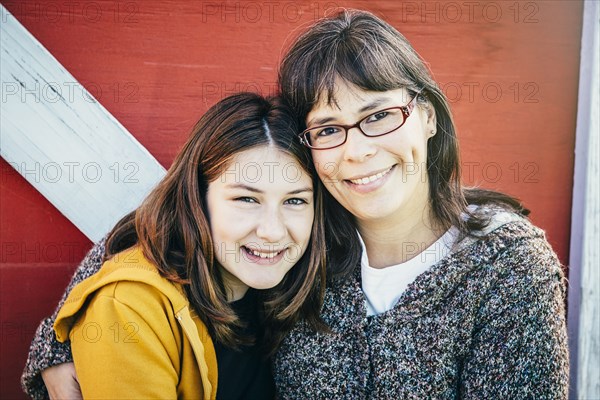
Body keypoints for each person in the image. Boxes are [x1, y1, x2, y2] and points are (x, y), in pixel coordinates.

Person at [22, 9, 569, 399]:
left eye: (378, 115)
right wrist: (59, 340)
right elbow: (160, 235)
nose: (357, 152)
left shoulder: (504, 265)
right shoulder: (308, 238)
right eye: (329, 128)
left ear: (426, 116)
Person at [22, 92, 328, 399]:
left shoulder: (301, 288)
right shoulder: (130, 307)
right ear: (197, 198)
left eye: (295, 200)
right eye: (246, 199)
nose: (272, 231)